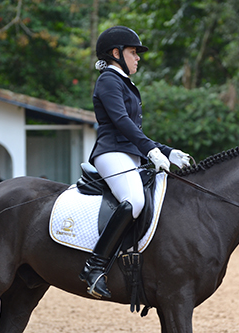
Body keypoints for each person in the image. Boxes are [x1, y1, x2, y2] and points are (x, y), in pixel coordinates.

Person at [79, 26, 191, 299]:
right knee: (135, 201)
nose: (138, 58)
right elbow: (121, 123)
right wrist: (151, 151)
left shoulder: (125, 82)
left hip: (130, 154)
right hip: (110, 153)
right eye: (133, 52)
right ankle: (94, 268)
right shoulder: (108, 80)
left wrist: (168, 151)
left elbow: (134, 133)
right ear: (116, 53)